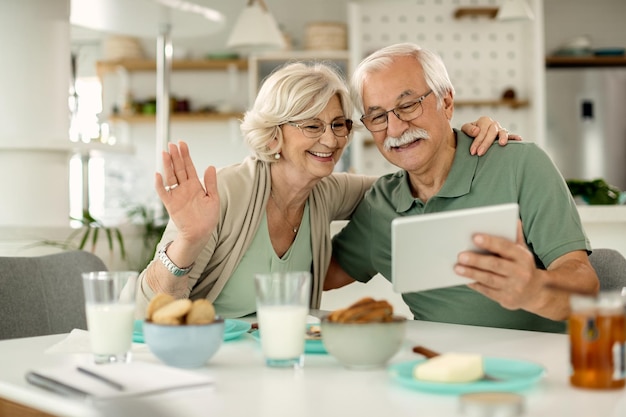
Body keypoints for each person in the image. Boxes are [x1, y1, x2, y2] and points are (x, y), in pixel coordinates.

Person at [134, 60, 517, 319]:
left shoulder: (325, 191)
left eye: (339, 125)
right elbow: (149, 312)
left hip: (277, 362)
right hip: (206, 362)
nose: (331, 140)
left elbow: (412, 182)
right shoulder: (229, 192)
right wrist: (188, 239)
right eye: (311, 126)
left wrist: (462, 138)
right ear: (274, 133)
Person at [325, 43, 599, 333]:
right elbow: (319, 276)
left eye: (407, 105)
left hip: (536, 367)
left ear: (446, 102)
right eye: (378, 116)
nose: (394, 129)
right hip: (436, 366)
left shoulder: (521, 165)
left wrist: (533, 289)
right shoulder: (380, 204)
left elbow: (585, 286)